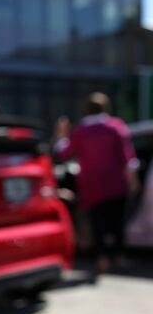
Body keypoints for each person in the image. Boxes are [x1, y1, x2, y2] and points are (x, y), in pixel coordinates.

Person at [55, 93, 140, 272]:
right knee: (117, 223)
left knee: (98, 224)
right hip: (116, 184)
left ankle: (102, 259)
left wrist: (62, 136)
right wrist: (133, 181)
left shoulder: (80, 131)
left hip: (91, 186)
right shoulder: (116, 127)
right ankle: (119, 256)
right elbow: (128, 158)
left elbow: (63, 154)